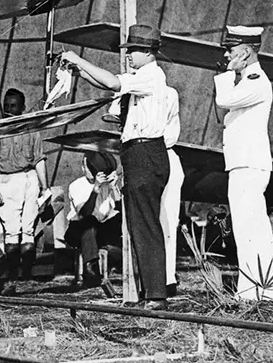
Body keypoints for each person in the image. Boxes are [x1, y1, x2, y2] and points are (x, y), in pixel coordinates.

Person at [61, 23, 171, 309]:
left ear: (148, 52)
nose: (129, 55)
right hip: (139, 153)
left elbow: (111, 82)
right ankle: (151, 292)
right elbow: (107, 82)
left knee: (145, 224)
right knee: (138, 223)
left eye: (134, 50)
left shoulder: (150, 75)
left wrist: (78, 59)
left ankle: (156, 294)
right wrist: (79, 71)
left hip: (145, 152)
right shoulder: (143, 76)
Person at [214, 25, 273, 301]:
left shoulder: (256, 80)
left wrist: (227, 73)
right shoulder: (245, 80)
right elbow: (224, 112)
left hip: (249, 164)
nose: (227, 55)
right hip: (243, 163)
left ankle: (262, 290)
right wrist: (232, 73)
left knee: (250, 227)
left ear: (245, 52)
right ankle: (258, 289)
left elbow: (223, 100)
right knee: (248, 228)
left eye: (231, 50)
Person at [0, 88, 49, 291]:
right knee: (11, 232)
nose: (9, 110)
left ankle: (26, 278)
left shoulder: (32, 129)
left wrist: (45, 187)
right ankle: (11, 277)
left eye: (14, 106)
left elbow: (39, 159)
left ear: (23, 108)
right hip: (5, 181)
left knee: (28, 230)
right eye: (6, 106)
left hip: (29, 179)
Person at [64, 151, 122, 288]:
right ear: (83, 167)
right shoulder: (76, 185)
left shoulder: (107, 184)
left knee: (122, 219)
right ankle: (90, 267)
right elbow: (84, 213)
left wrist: (114, 188)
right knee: (90, 221)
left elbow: (120, 210)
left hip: (100, 229)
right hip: (77, 230)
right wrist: (95, 188)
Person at [160, 86, 184, 297]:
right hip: (147, 157)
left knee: (168, 221)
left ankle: (167, 278)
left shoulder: (168, 93)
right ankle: (155, 278)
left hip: (164, 155)